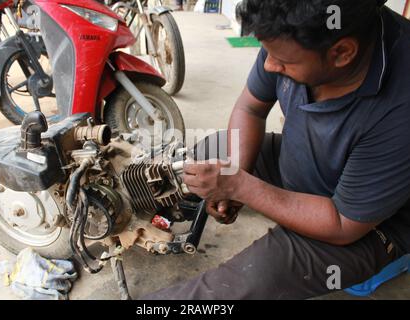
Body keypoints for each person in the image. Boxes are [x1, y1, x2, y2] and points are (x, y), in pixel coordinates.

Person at [142, 0, 410, 299]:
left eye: (283, 61)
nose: (269, 65)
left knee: (231, 288)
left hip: (362, 223)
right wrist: (235, 174)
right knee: (208, 151)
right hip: (310, 166)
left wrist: (242, 187)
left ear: (342, 53)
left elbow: (341, 223)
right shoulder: (293, 32)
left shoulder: (400, 106)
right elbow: (251, 108)